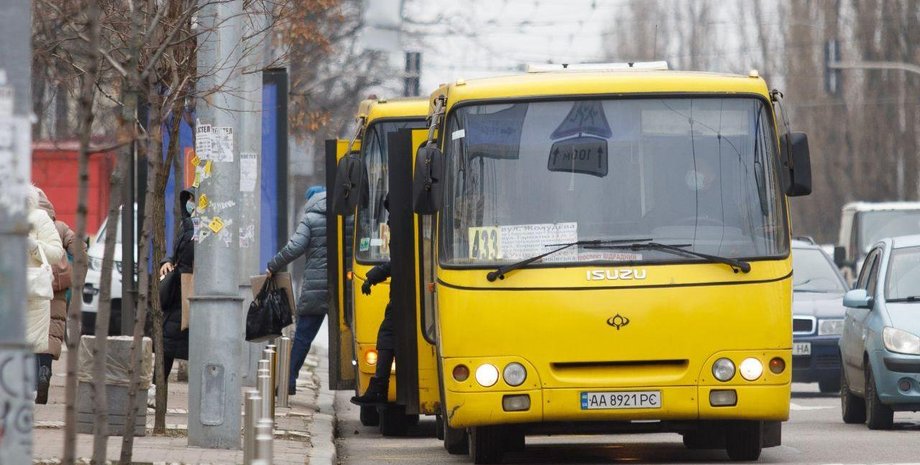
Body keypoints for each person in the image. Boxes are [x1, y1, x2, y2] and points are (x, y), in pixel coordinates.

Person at [266, 186, 328, 396]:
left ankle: (288, 381)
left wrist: (273, 265)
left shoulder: (310, 219)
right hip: (344, 290)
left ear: (311, 200)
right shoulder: (344, 214)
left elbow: (294, 247)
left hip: (316, 289)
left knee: (302, 337)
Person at [34, 188, 77, 404]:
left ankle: (32, 380)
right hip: (57, 291)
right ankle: (44, 370)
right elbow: (79, 245)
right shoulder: (59, 227)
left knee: (32, 333)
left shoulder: (28, 226)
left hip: (32, 288)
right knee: (52, 332)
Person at [351, 194, 395, 406]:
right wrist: (372, 277)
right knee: (388, 336)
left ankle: (379, 389)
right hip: (403, 297)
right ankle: (379, 388)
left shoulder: (401, 224)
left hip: (404, 299)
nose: (387, 219)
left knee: (387, 335)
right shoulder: (405, 221)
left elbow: (397, 263)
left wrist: (372, 276)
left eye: (389, 211)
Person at [25, 185, 65, 401]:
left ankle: (28, 399)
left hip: (33, 295)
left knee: (29, 346)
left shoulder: (39, 218)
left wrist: (33, 245)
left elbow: (56, 253)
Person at [158, 189, 196, 377]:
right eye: (188, 199)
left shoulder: (195, 229)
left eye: (193, 199)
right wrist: (167, 260)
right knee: (169, 343)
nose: (189, 203)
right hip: (180, 289)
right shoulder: (188, 226)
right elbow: (178, 253)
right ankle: (158, 389)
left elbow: (186, 255)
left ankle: (158, 388)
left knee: (169, 343)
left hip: (187, 290)